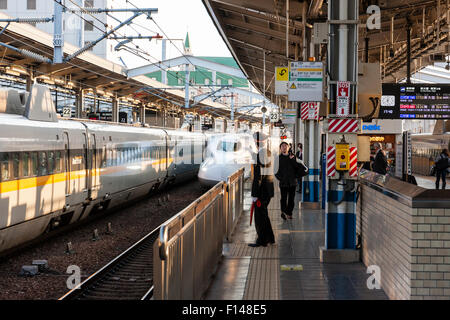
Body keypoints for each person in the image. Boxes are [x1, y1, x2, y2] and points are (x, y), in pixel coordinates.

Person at [249, 132, 275, 247]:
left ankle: (262, 240)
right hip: (267, 190)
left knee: (259, 217)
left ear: (257, 142)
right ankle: (270, 238)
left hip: (262, 192)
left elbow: (258, 176)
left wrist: (255, 194)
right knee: (264, 215)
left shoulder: (261, 155)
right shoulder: (267, 152)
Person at [275, 142, 298, 220]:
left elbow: (297, 168)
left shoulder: (293, 157)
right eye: (282, 146)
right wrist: (281, 179)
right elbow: (275, 171)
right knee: (283, 198)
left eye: (285, 146)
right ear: (280, 148)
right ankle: (283, 212)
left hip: (292, 182)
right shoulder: (278, 158)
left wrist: (292, 160)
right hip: (283, 183)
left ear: (288, 147)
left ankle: (289, 213)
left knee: (291, 199)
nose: (284, 147)